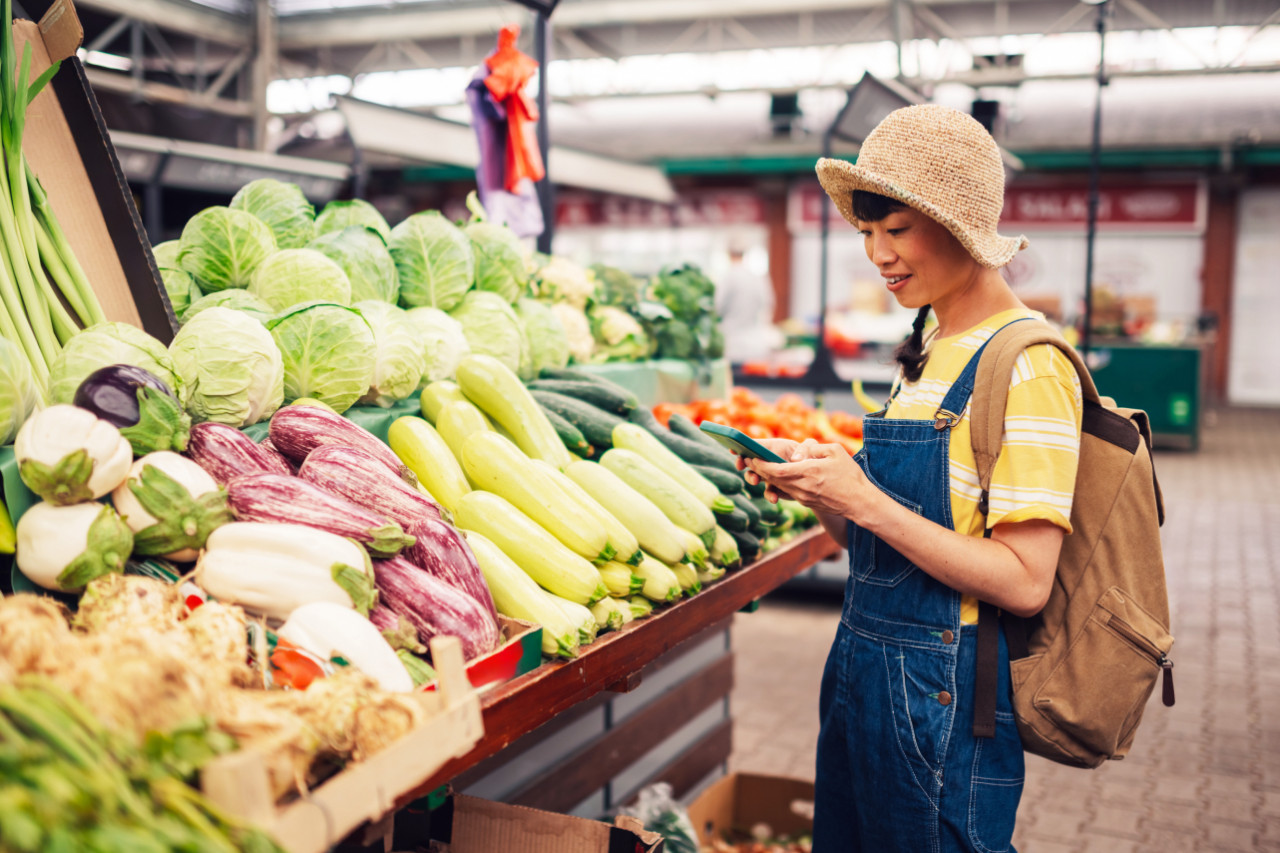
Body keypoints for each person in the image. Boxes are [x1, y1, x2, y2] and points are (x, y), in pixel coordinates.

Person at [741, 104, 1084, 852]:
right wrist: (823, 495)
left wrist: (865, 498)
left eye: (896, 230)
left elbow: (1027, 579)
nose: (878, 254)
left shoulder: (1026, 363)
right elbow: (884, 535)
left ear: (959, 225)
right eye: (867, 234)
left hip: (943, 693)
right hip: (862, 670)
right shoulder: (933, 342)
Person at [714, 241, 775, 363]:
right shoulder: (757, 277)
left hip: (732, 345)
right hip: (756, 345)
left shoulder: (728, 277)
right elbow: (769, 305)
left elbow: (716, 308)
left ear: (728, 254)